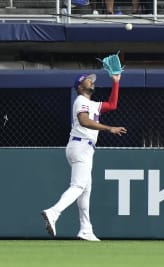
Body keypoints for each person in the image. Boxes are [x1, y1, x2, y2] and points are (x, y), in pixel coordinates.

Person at [41, 73, 127, 241]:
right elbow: (84, 121)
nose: (91, 81)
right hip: (80, 145)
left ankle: (86, 229)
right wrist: (109, 129)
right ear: (80, 87)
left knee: (85, 191)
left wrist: (115, 82)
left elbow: (112, 104)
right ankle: (53, 212)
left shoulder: (92, 104)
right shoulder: (80, 101)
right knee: (79, 186)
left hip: (84, 148)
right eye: (88, 79)